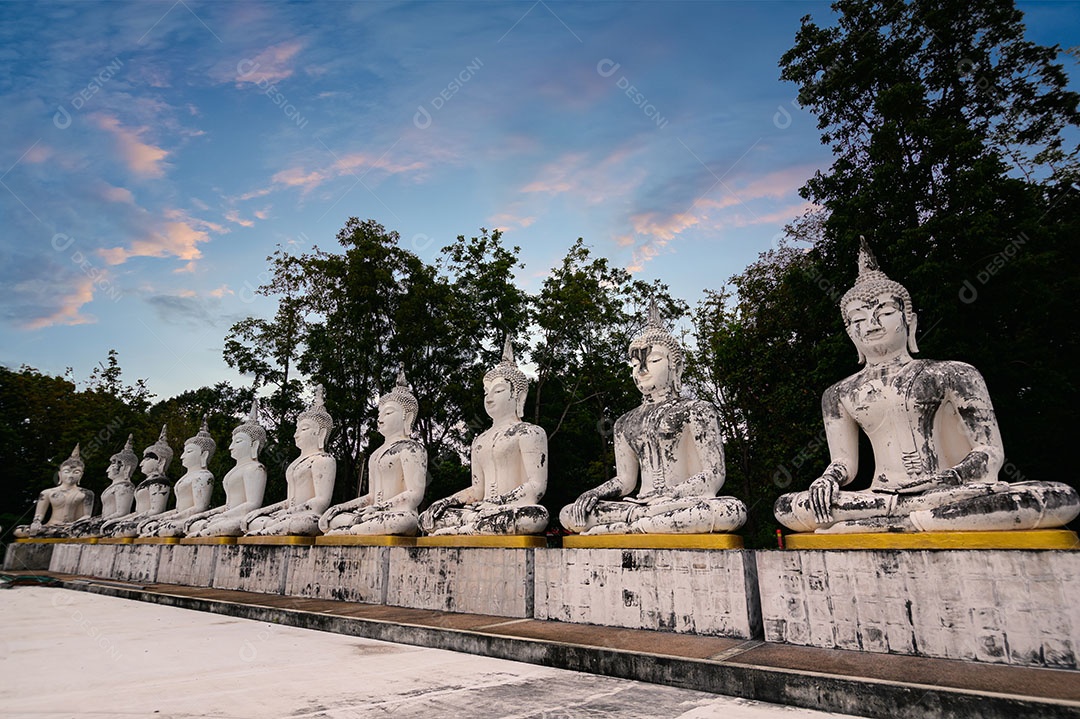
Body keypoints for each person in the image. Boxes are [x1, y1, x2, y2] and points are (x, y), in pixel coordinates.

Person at [774, 238, 1080, 533]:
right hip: (879, 495)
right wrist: (828, 480)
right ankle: (917, 518)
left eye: (885, 312)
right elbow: (844, 462)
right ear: (850, 332)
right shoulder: (839, 394)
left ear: (910, 321)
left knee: (1052, 498)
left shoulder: (953, 373)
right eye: (859, 318)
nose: (872, 324)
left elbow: (989, 450)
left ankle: (904, 522)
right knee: (788, 507)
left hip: (949, 490)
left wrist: (953, 477)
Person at [560, 302, 746, 535]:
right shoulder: (624, 423)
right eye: (636, 364)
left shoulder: (696, 409)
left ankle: (627, 529)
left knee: (730, 511)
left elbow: (714, 474)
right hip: (640, 506)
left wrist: (672, 494)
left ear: (676, 367)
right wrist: (595, 493)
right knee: (569, 513)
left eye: (654, 360)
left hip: (679, 502)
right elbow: (626, 481)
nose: (642, 369)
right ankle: (639, 525)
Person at [419, 339, 548, 536]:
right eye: (486, 392)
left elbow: (536, 487)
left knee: (535, 516)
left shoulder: (529, 432)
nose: (489, 398)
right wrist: (448, 501)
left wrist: (496, 503)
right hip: (481, 511)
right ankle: (468, 528)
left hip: (507, 509)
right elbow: (478, 490)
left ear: (518, 396)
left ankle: (464, 530)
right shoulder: (479, 441)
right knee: (428, 517)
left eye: (497, 391)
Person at [320, 369, 427, 536]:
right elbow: (371, 496)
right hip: (372, 514)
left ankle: (352, 531)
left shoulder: (411, 448)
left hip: (396, 514)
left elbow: (415, 494)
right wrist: (340, 507)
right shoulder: (376, 454)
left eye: (389, 412)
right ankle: (355, 528)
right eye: (379, 413)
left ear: (407, 417)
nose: (380, 418)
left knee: (402, 520)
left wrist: (379, 508)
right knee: (331, 519)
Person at [242, 386, 336, 536]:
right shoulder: (295, 464)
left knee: (302, 522)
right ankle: (268, 528)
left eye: (303, 429)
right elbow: (289, 501)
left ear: (321, 433)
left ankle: (267, 531)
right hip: (288, 515)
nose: (296, 434)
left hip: (307, 517)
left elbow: (321, 501)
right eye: (297, 429)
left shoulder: (323, 460)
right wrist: (263, 511)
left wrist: (289, 512)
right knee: (254, 521)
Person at [184, 400, 268, 538]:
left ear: (255, 444)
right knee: (197, 524)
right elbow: (229, 505)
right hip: (228, 516)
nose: (231, 447)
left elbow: (252, 504)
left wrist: (221, 516)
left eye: (238, 441)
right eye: (232, 441)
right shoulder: (234, 471)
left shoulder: (255, 468)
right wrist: (209, 515)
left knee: (209, 528)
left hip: (239, 519)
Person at [138, 418, 216, 537]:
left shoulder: (204, 476)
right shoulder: (185, 478)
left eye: (188, 452)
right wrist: (161, 517)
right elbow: (179, 509)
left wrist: (172, 518)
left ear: (204, 455)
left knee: (165, 528)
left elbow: (200, 507)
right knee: (150, 526)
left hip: (189, 520)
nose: (182, 456)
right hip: (179, 518)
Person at [101, 426, 173, 538]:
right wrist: (125, 519)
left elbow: (157, 510)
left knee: (120, 530)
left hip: (148, 521)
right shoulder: (145, 483)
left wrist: (131, 519)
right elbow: (138, 511)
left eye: (147, 459)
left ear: (161, 461)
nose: (141, 463)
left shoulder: (160, 482)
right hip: (138, 519)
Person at [14, 444, 94, 538]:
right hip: (50, 526)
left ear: (81, 475)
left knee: (92, 530)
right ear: (60, 474)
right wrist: (36, 522)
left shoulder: (86, 493)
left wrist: (75, 524)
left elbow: (86, 516)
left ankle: (60, 533)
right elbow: (39, 514)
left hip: (72, 528)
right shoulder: (47, 493)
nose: (71, 475)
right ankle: (55, 533)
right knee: (19, 530)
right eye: (67, 472)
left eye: (76, 472)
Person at [70, 435, 138, 537]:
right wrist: (95, 520)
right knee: (75, 528)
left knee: (79, 531)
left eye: (112, 465)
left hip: (114, 523)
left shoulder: (125, 487)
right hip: (105, 521)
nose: (108, 470)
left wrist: (100, 521)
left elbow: (122, 512)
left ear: (126, 468)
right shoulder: (114, 487)